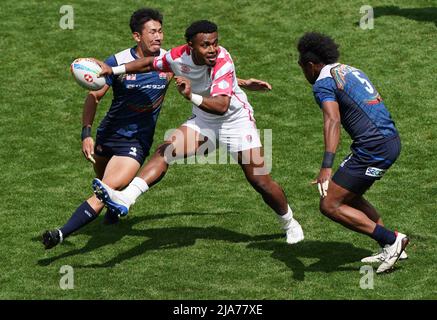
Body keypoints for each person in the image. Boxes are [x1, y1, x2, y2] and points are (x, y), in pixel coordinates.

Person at [42, 11, 278, 250]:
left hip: (135, 143)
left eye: (161, 31)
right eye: (152, 32)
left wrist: (243, 83)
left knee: (108, 189)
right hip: (108, 135)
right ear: (137, 36)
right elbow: (95, 96)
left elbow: (207, 78)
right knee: (105, 184)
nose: (159, 37)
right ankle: (113, 214)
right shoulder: (118, 61)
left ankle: (60, 233)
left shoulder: (171, 60)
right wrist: (86, 133)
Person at [92, 20, 305, 245]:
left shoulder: (223, 60)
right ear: (190, 46)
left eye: (215, 43)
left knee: (260, 180)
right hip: (204, 121)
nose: (212, 49)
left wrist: (190, 96)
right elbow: (149, 64)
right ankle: (125, 198)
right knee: (165, 152)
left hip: (236, 123)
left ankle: (290, 223)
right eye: (205, 45)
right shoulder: (177, 56)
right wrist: (113, 70)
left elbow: (222, 105)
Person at [296, 32, 408, 273]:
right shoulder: (349, 69)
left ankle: (392, 240)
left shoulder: (323, 83)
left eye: (302, 69)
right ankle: (391, 245)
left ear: (311, 65)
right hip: (389, 141)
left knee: (329, 204)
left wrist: (327, 166)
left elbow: (332, 120)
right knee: (349, 195)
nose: (304, 74)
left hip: (373, 148)